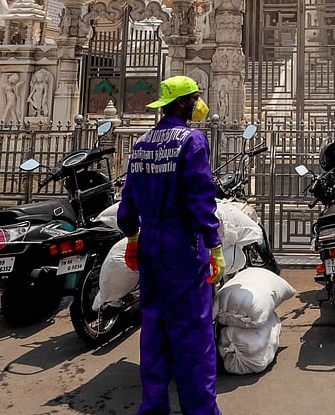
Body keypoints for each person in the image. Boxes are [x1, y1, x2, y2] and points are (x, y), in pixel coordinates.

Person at [117, 75, 224, 415]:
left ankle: (153, 408)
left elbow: (128, 198)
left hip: (150, 243)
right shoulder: (192, 141)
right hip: (183, 247)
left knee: (153, 330)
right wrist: (213, 242)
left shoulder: (142, 143)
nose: (198, 104)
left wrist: (133, 237)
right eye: (194, 98)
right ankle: (201, 411)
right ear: (182, 103)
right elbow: (200, 198)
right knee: (194, 335)